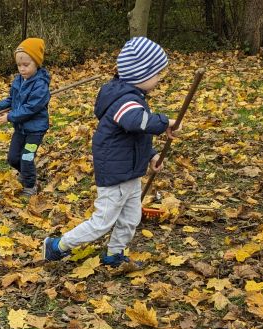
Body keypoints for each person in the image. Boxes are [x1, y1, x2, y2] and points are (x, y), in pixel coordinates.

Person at [43, 37, 180, 269]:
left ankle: (114, 254)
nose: (159, 79)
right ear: (140, 74)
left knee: (130, 218)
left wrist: (152, 155)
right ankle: (58, 246)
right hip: (116, 173)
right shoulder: (124, 101)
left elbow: (137, 136)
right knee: (102, 222)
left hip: (130, 171)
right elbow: (136, 121)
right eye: (157, 74)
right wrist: (165, 121)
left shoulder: (134, 98)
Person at [0, 38, 51, 196]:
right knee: (13, 158)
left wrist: (9, 117)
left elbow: (31, 108)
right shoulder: (19, 81)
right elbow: (11, 99)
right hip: (21, 129)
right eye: (19, 65)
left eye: (26, 65)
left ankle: (30, 186)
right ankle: (27, 173)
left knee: (27, 157)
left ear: (36, 63)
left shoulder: (40, 85)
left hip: (35, 131)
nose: (22, 69)